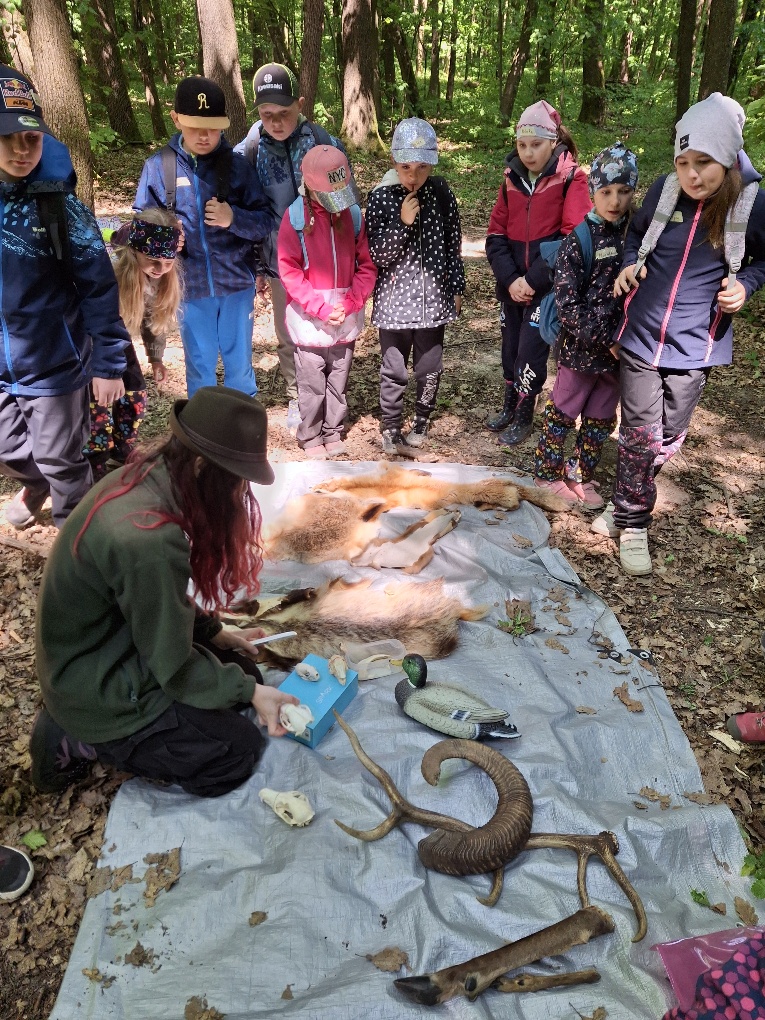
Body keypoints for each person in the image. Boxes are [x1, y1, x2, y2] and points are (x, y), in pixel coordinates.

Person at [30, 386, 299, 798]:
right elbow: (172, 664)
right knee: (237, 751)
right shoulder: (148, 537)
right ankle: (82, 737)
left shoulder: (151, 474)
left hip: (114, 642)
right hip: (95, 681)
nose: (239, 495)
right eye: (234, 481)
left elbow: (156, 599)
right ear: (200, 467)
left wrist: (214, 633)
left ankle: (101, 722)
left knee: (245, 672)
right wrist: (251, 693)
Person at [592, 93, 765, 576]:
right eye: (683, 162)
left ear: (727, 157)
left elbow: (763, 261)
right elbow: (635, 236)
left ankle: (627, 495)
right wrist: (630, 264)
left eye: (703, 163)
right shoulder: (663, 192)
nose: (692, 175)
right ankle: (633, 522)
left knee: (668, 434)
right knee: (640, 431)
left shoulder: (752, 204)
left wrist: (746, 285)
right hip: (642, 336)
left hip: (696, 345)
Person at [0, 65, 128, 530]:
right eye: (7, 138)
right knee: (8, 450)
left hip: (55, 362)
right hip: (2, 368)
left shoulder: (59, 205)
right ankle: (40, 483)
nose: (21, 149)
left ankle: (80, 540)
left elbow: (98, 284)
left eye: (31, 138)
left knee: (62, 458)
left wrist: (109, 361)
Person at [135, 76, 272, 398]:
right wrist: (164, 240)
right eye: (195, 127)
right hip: (189, 287)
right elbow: (140, 229)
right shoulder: (158, 168)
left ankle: (243, 421)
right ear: (176, 119)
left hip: (236, 284)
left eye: (213, 128)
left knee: (240, 366)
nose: (204, 135)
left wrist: (233, 218)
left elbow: (264, 221)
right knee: (199, 364)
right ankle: (202, 424)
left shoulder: (238, 167)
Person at [235, 63, 347, 414]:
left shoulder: (324, 144)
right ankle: (298, 397)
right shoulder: (250, 150)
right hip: (279, 262)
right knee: (289, 335)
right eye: (267, 115)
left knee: (327, 330)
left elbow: (347, 203)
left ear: (300, 104)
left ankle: (329, 396)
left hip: (324, 259)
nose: (276, 122)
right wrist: (255, 266)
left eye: (284, 113)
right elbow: (243, 208)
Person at [533, 144, 639, 509]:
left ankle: (580, 474)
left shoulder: (634, 236)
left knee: (600, 418)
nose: (615, 201)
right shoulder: (578, 241)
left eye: (624, 191)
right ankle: (546, 474)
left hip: (619, 353)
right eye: (606, 191)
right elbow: (568, 306)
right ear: (593, 191)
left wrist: (623, 340)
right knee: (562, 412)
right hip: (580, 351)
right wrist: (606, 339)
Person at [485, 100, 591, 446]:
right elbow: (495, 235)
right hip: (511, 285)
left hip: (545, 289)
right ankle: (509, 404)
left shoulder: (571, 178)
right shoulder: (511, 180)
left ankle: (525, 411)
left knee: (530, 351)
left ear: (553, 141)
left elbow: (572, 239)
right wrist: (510, 280)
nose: (528, 153)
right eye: (522, 145)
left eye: (536, 145)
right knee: (510, 347)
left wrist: (532, 282)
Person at [366, 117, 465, 454]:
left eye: (422, 167)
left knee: (429, 367)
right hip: (394, 305)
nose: (413, 176)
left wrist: (456, 286)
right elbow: (378, 255)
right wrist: (402, 222)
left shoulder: (440, 193)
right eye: (406, 167)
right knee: (394, 369)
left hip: (433, 303)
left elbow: (453, 244)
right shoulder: (381, 197)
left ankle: (422, 418)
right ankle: (391, 426)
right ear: (394, 161)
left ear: (432, 165)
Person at [277, 146, 376, 459]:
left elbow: (367, 265)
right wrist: (320, 309)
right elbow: (289, 271)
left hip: (345, 317)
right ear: (309, 187)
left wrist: (351, 302)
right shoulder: (295, 219)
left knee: (338, 379)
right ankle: (310, 436)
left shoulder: (352, 215)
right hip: (309, 321)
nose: (336, 203)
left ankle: (333, 431)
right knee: (311, 383)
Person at [86, 209, 184, 481]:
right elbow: (95, 321)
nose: (160, 269)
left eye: (167, 263)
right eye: (153, 261)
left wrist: (156, 358)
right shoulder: (110, 273)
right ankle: (94, 458)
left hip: (118, 337)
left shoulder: (159, 277)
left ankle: (123, 447)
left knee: (135, 392)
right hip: (90, 340)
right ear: (135, 253)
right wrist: (106, 370)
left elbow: (152, 318)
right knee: (97, 400)